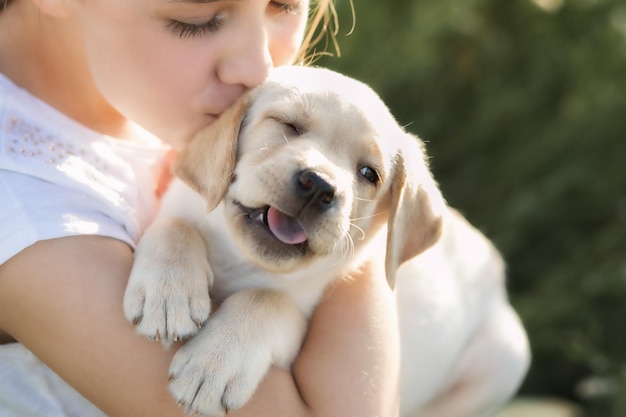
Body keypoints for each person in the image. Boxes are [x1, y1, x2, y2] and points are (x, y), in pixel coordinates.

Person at [0, 0, 401, 416]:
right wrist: (363, 208)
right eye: (198, 19)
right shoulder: (26, 210)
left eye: (284, 4)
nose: (259, 67)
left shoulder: (161, 105)